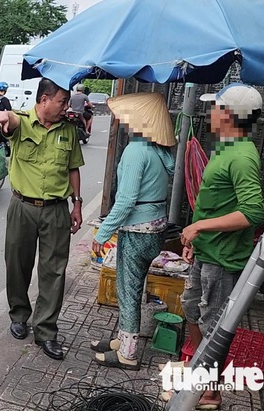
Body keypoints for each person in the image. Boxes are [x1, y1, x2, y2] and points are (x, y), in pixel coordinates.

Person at [166, 83, 264, 409]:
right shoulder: (227, 146)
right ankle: (201, 375)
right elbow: (217, 202)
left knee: (214, 323)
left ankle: (210, 390)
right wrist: (198, 238)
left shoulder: (242, 157)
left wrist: (200, 226)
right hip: (207, 251)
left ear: (232, 115)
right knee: (192, 309)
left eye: (217, 108)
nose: (211, 113)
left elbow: (251, 211)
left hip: (223, 259)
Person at [0, 78, 84, 361]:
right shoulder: (22, 123)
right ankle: (19, 315)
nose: (65, 107)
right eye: (61, 101)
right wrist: (1, 115)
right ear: (44, 100)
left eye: (66, 102)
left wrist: (77, 204)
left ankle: (46, 331)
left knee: (54, 271)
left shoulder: (68, 130)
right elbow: (9, 119)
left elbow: (73, 168)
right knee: (17, 263)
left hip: (56, 209)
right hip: (22, 207)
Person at [88, 92, 176, 370]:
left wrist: (102, 235)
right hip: (156, 229)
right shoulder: (160, 151)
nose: (124, 122)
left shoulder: (136, 151)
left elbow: (125, 200)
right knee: (135, 287)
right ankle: (123, 338)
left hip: (137, 231)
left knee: (128, 291)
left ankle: (128, 352)